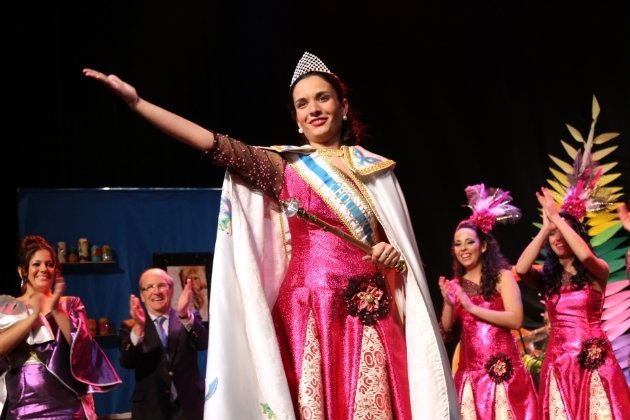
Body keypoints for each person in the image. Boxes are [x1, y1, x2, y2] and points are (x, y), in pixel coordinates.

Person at [84, 51, 458, 419]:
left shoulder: (378, 172)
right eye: (303, 103)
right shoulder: (282, 167)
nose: (314, 108)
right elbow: (212, 144)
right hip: (309, 311)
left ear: (343, 106)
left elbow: (395, 250)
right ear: (296, 119)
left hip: (371, 313)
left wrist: (393, 257)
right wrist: (138, 104)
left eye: (323, 98)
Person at [515, 187, 630, 419]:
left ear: (573, 234)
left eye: (562, 233)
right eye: (552, 235)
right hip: (559, 363)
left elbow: (586, 256)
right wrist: (546, 227)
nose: (557, 238)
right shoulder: (546, 278)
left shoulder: (597, 270)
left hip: (593, 359)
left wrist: (557, 217)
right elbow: (520, 268)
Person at [439, 184, 538, 419]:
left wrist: (472, 307)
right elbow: (446, 330)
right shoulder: (457, 284)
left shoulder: (503, 277)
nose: (463, 249)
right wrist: (449, 303)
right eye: (457, 243)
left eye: (469, 242)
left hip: (503, 371)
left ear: (483, 246)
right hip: (471, 376)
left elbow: (515, 319)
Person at [0, 235, 121, 419]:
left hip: (67, 407)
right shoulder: (6, 305)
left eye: (49, 264)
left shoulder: (70, 304)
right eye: (36, 264)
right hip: (21, 407)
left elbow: (83, 350)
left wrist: (56, 309)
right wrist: (32, 317)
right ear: (22, 271)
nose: (44, 269)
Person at [119, 268, 208, 420]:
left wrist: (184, 315)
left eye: (161, 285)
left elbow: (202, 343)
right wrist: (139, 328)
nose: (156, 291)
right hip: (150, 410)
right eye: (150, 287)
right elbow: (127, 362)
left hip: (189, 408)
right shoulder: (131, 326)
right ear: (142, 295)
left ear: (171, 290)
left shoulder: (187, 318)